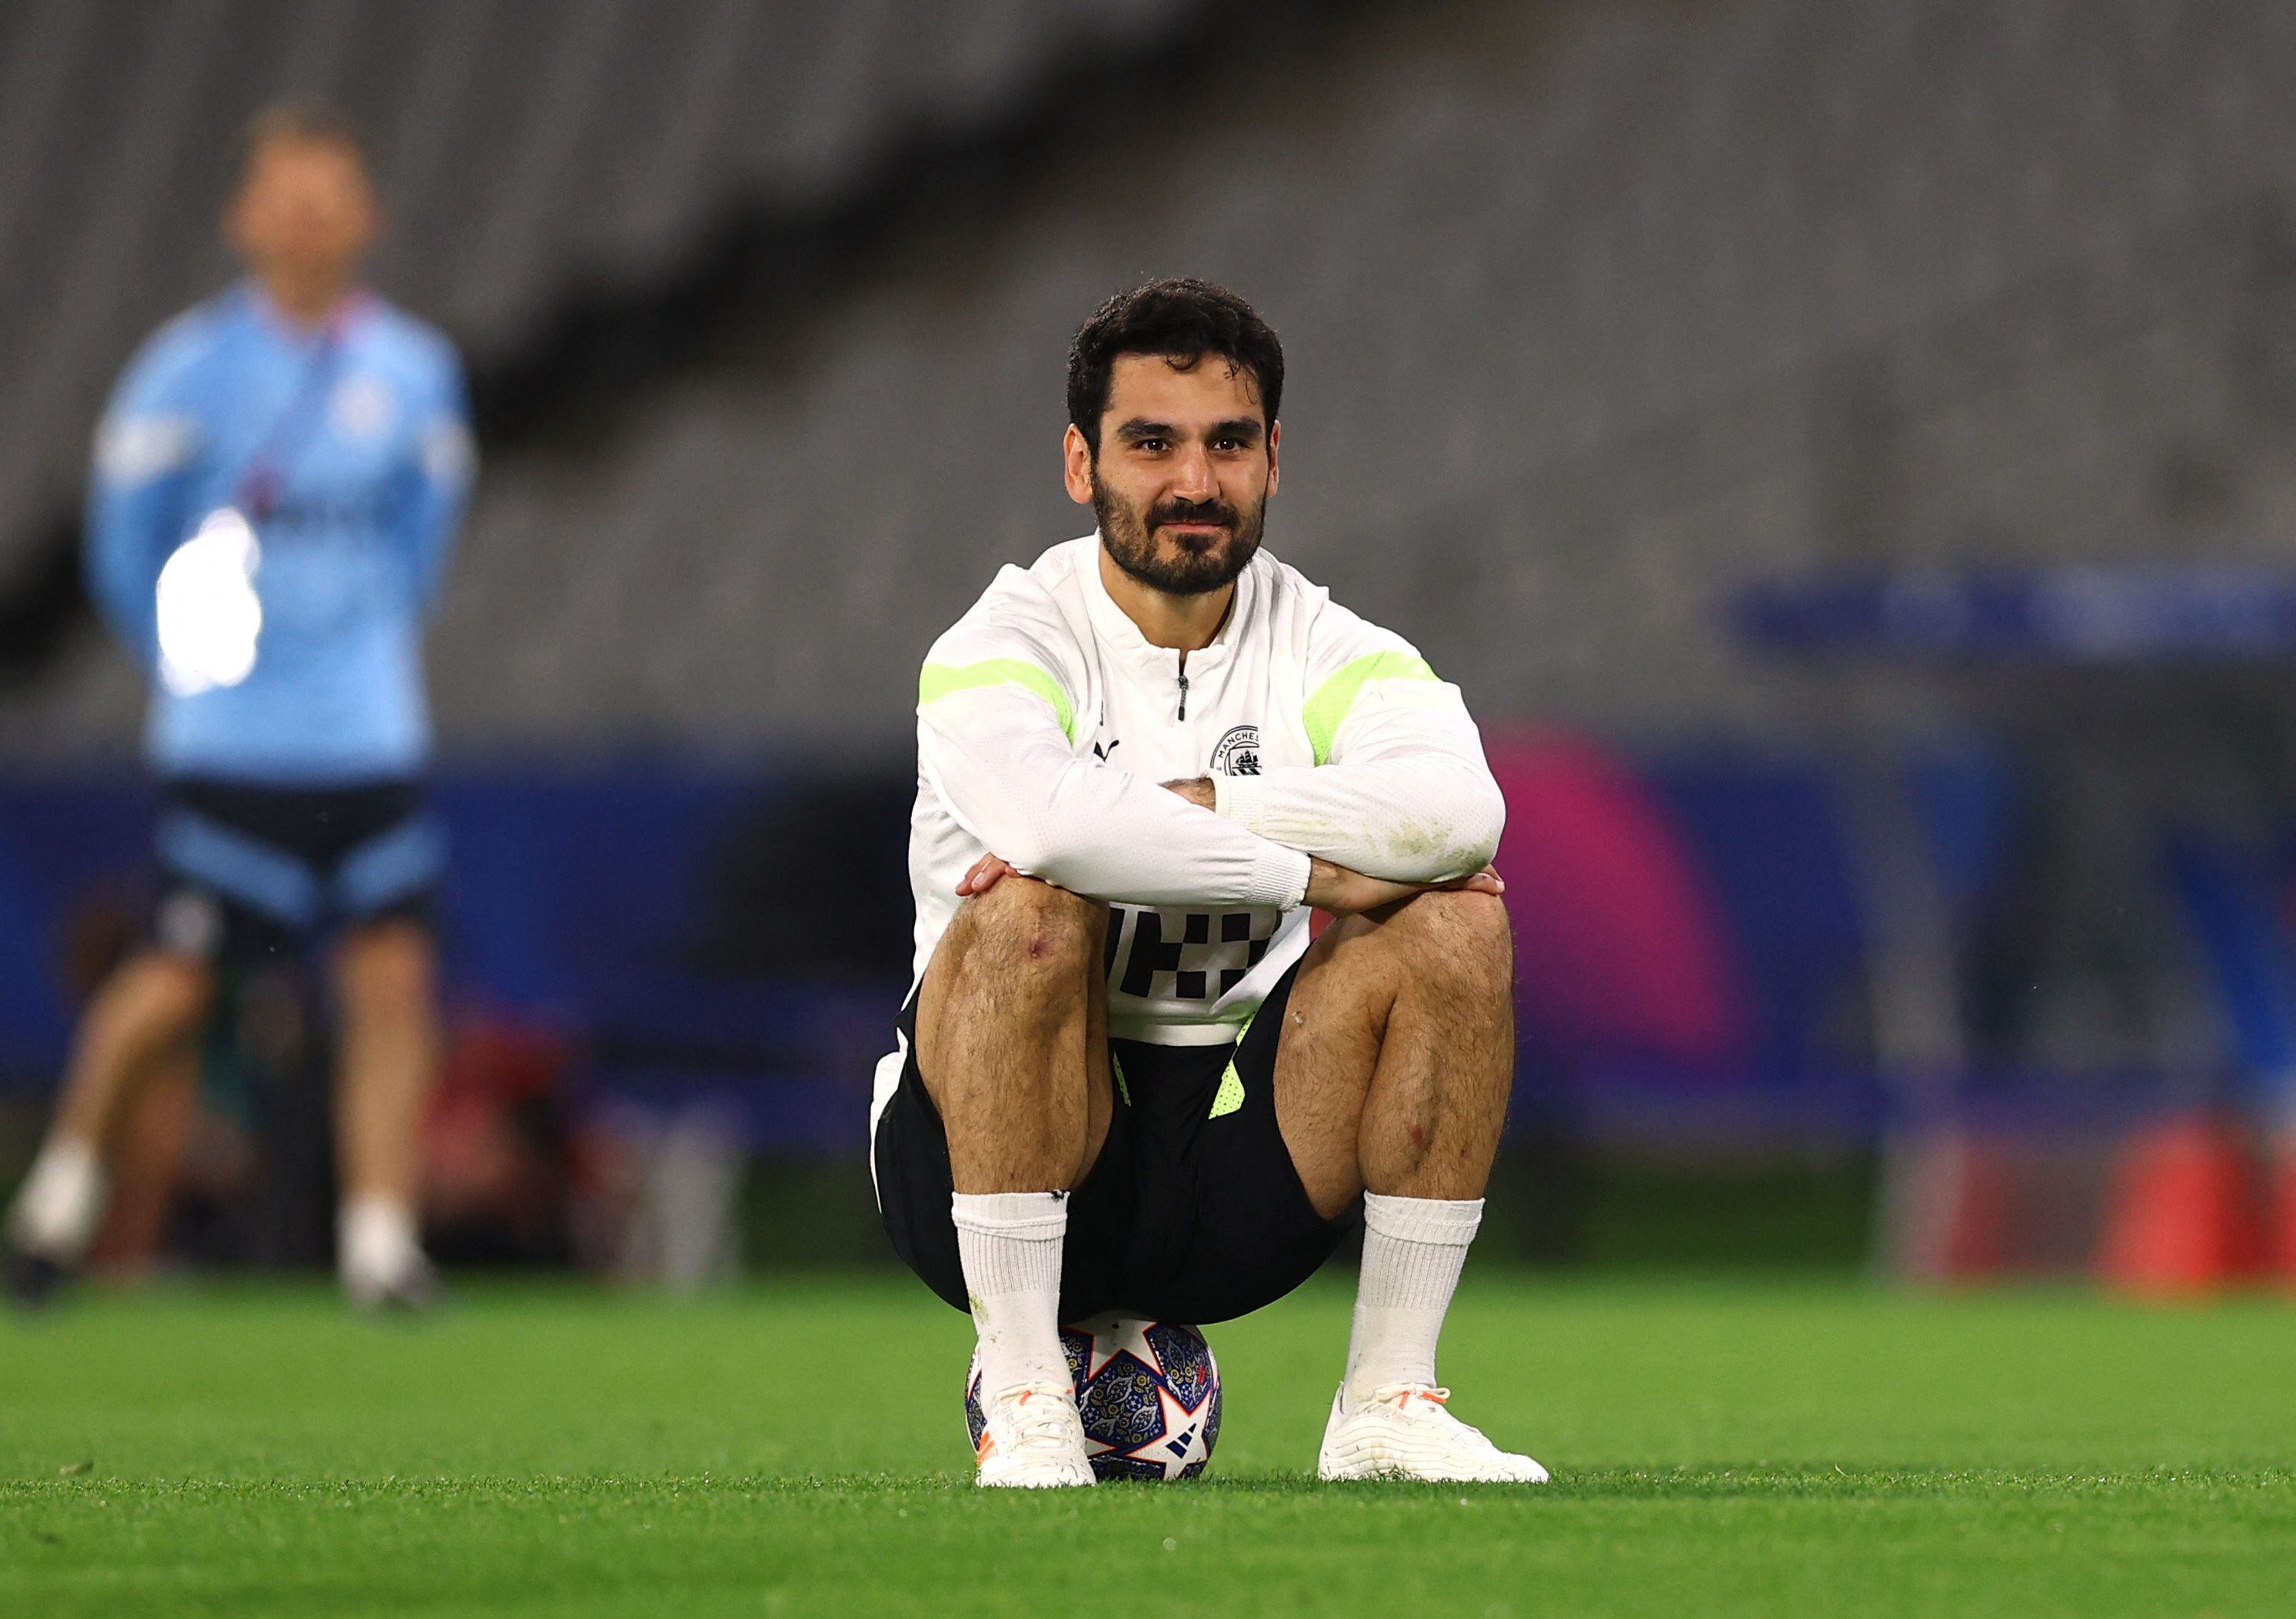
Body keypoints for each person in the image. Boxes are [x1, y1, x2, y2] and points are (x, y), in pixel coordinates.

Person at [872, 278, 1547, 1485]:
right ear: (1080, 464)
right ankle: (1027, 1396)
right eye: (1151, 444)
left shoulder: (1332, 648)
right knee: (1028, 905)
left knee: (1454, 922)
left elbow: (1462, 813)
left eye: (1228, 443)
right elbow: (1043, 821)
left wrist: (1206, 809)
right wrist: (1312, 869)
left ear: (1274, 457)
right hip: (977, 1158)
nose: (1194, 481)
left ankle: (1388, 1403)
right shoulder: (1000, 642)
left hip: (1237, 1157)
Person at [4, 107, 473, 1309]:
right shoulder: (184, 371)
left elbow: (423, 542)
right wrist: (195, 660)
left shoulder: (415, 372)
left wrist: (358, 654)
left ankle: (379, 1242)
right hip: (234, 743)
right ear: (245, 218)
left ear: (365, 216)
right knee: (172, 983)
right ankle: (60, 1194)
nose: (310, 215)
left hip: (366, 736)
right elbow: (121, 545)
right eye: (289, 193)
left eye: (332, 192)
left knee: (391, 984)